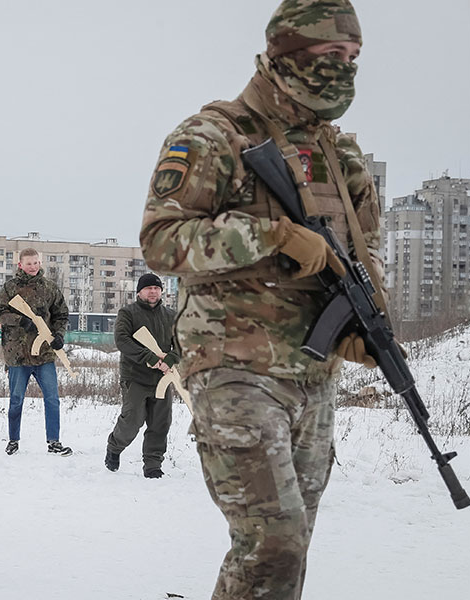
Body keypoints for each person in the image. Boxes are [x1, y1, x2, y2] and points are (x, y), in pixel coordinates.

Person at [138, 1, 383, 597]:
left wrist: (363, 322)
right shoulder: (213, 136)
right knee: (274, 542)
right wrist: (270, 236)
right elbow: (161, 241)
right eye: (331, 54)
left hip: (313, 373)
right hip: (233, 367)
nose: (345, 67)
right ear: (286, 53)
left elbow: (365, 253)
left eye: (353, 56)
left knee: (287, 552)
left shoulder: (342, 157)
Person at [0, 248, 71, 456]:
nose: (33, 267)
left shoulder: (50, 288)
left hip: (44, 354)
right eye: (28, 263)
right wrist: (20, 320)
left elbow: (61, 314)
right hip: (17, 355)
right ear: (20, 265)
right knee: (16, 399)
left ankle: (54, 441)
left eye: (36, 263)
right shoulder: (10, 287)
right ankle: (13, 440)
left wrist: (59, 335)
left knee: (52, 399)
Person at [105, 273, 179, 479]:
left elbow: (183, 343)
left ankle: (153, 465)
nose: (153, 292)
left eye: (156, 288)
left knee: (160, 423)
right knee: (132, 420)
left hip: (162, 378)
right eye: (148, 288)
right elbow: (122, 340)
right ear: (139, 292)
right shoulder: (128, 313)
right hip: (135, 376)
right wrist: (148, 357)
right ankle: (115, 447)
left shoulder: (171, 316)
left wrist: (172, 358)